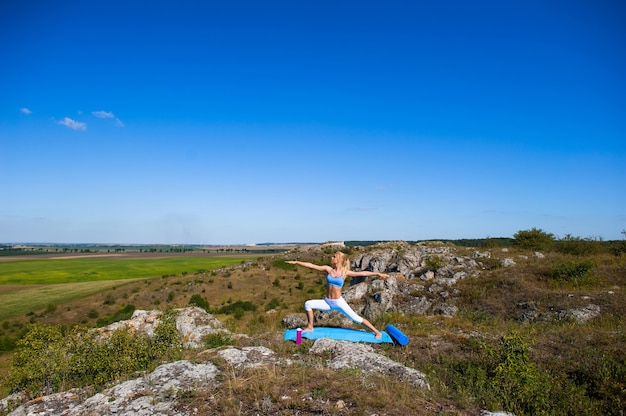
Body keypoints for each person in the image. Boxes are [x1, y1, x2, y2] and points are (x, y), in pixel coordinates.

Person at [287, 251, 389, 339]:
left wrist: (378, 274)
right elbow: (313, 266)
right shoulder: (328, 269)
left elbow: (363, 273)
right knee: (308, 304)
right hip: (327, 302)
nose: (332, 258)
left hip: (338, 302)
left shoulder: (344, 272)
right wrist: (297, 262)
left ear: (339, 259)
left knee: (356, 319)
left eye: (334, 256)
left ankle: (377, 332)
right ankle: (310, 327)